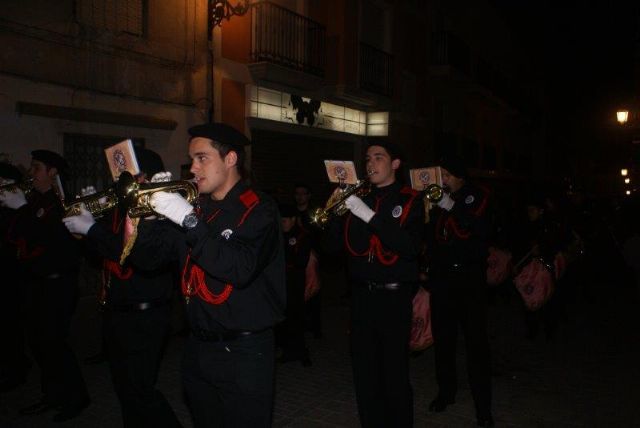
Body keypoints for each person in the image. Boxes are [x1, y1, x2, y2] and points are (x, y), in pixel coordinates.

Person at [129, 123, 286, 428]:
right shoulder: (195, 207)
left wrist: (187, 220)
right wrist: (149, 218)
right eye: (191, 160)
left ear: (230, 159)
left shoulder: (258, 209)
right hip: (199, 347)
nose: (193, 168)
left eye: (202, 158)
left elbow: (239, 268)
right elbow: (148, 261)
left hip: (244, 351)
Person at [62, 148, 183, 428]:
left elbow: (133, 254)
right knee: (124, 388)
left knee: (141, 389)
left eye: (129, 176)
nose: (121, 182)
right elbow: (102, 257)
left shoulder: (159, 209)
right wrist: (90, 223)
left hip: (146, 314)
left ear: (147, 177)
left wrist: (92, 229)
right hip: (118, 310)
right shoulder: (120, 209)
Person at [324, 138, 423, 428]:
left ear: (395, 163)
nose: (370, 164)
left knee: (394, 376)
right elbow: (330, 249)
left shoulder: (411, 199)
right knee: (365, 376)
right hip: (361, 298)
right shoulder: (359, 197)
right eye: (367, 158)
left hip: (394, 299)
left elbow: (409, 246)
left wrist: (367, 214)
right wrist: (333, 213)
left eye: (378, 157)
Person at [0, 150, 90, 422]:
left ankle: (76, 397)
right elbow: (17, 236)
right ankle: (52, 395)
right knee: (39, 345)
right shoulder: (34, 201)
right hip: (36, 284)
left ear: (52, 173)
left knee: (55, 345)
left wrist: (23, 210)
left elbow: (52, 240)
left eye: (37, 167)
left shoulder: (61, 203)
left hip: (58, 285)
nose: (31, 172)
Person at [424, 155, 494, 427]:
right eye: (440, 175)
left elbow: (475, 227)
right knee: (443, 340)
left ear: (460, 176)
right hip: (443, 279)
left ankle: (483, 407)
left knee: (476, 345)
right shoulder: (439, 197)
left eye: (447, 175)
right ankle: (446, 392)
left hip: (469, 279)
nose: (443, 180)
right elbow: (433, 238)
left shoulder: (478, 195)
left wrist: (449, 205)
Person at [0, 162, 32, 392]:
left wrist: (21, 208)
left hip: (13, 275)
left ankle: (16, 369)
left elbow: (29, 237)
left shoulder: (21, 209)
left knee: (11, 327)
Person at [276, 203, 312, 367]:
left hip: (295, 282)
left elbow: (301, 261)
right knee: (284, 318)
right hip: (281, 282)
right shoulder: (278, 235)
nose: (282, 224)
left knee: (297, 317)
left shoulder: (302, 235)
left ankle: (300, 351)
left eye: (284, 221)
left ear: (292, 220)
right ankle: (287, 350)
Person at [293, 183, 323, 338]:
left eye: (303, 193)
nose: (300, 196)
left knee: (313, 291)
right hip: (295, 259)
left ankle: (315, 328)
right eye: (297, 193)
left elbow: (319, 235)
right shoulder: (291, 212)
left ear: (308, 195)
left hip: (311, 258)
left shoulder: (314, 213)